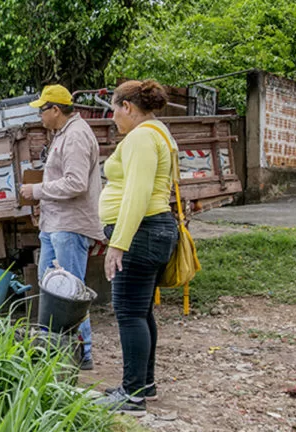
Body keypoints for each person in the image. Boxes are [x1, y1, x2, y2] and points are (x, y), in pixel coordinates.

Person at [94, 80, 179, 416]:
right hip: (152, 231)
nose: (112, 117)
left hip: (141, 232)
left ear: (127, 106)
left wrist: (118, 244)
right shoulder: (160, 133)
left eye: (114, 109)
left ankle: (132, 395)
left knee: (129, 313)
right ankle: (144, 385)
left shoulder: (142, 137)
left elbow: (138, 194)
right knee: (141, 311)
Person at [20, 84, 105, 371]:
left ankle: (82, 353)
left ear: (55, 110)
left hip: (69, 226)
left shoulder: (77, 136)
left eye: (42, 111)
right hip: (56, 225)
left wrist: (37, 190)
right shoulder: (63, 135)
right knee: (53, 291)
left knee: (70, 294)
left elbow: (76, 183)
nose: (39, 117)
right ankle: (53, 350)